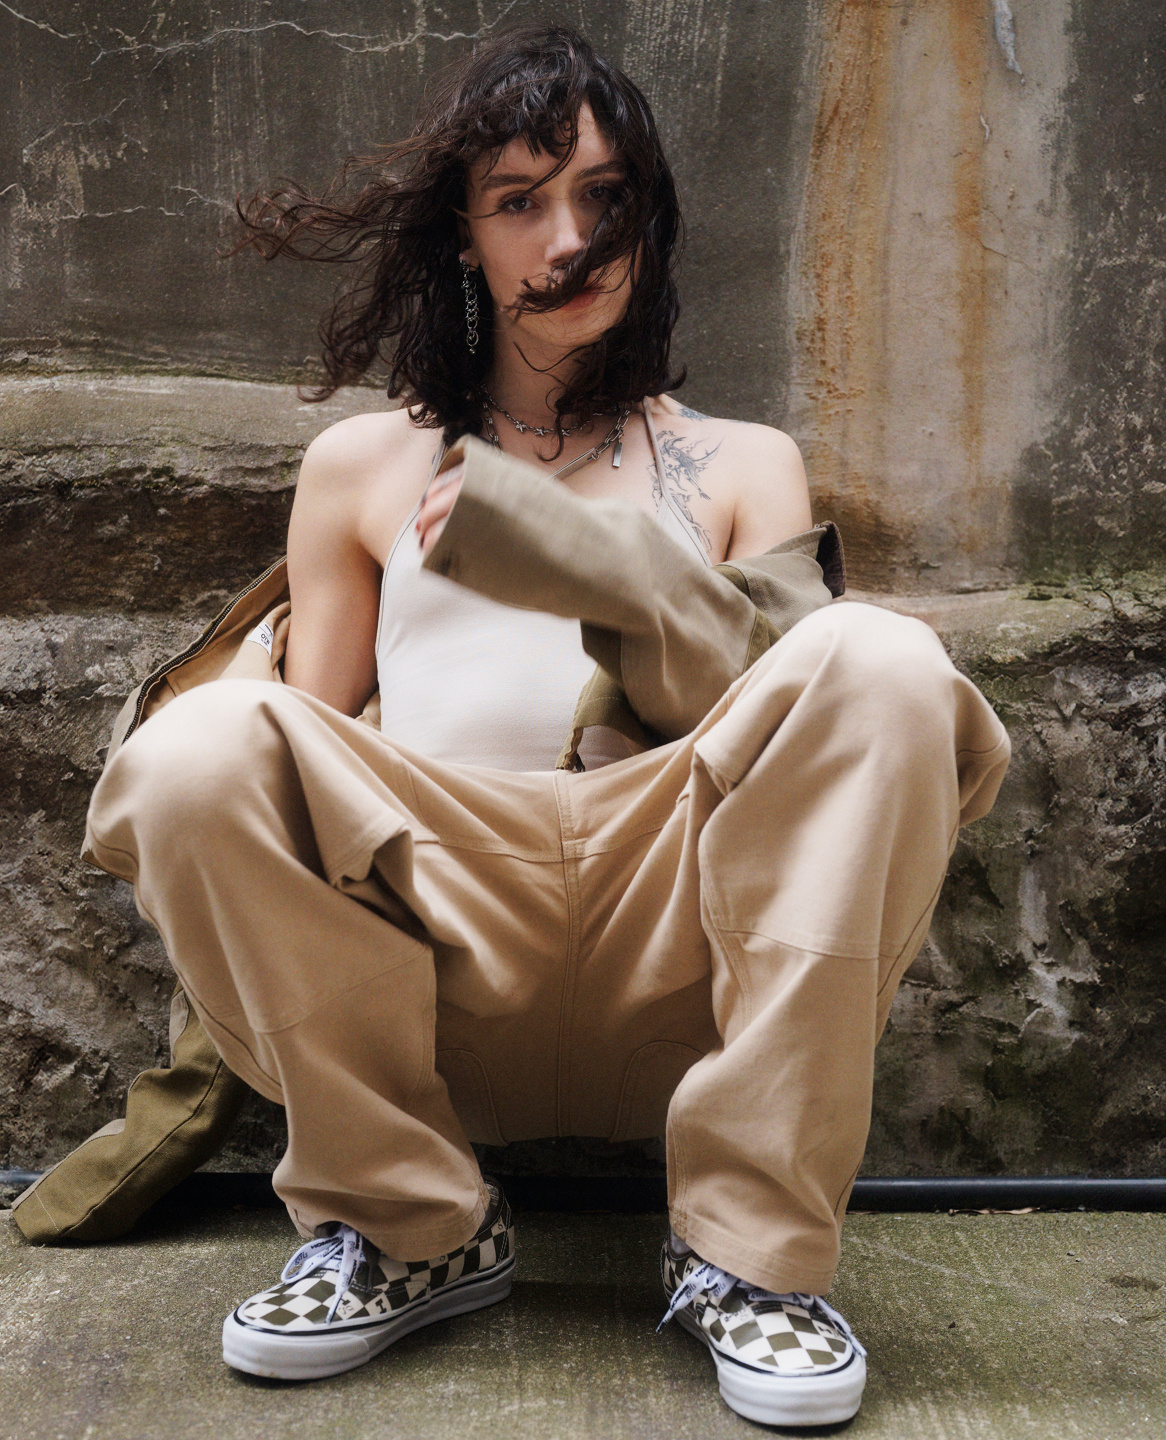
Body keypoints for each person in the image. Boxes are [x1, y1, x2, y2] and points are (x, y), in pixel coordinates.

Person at [79, 24, 1010, 1428]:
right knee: (201, 745)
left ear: (650, 217)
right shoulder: (361, 465)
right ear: (462, 235)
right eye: (519, 200)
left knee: (876, 656)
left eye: (603, 194)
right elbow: (290, 771)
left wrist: (575, 557)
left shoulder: (739, 463)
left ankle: (748, 1254)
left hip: (675, 926)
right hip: (437, 939)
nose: (569, 238)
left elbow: (772, 727)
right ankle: (408, 1225)